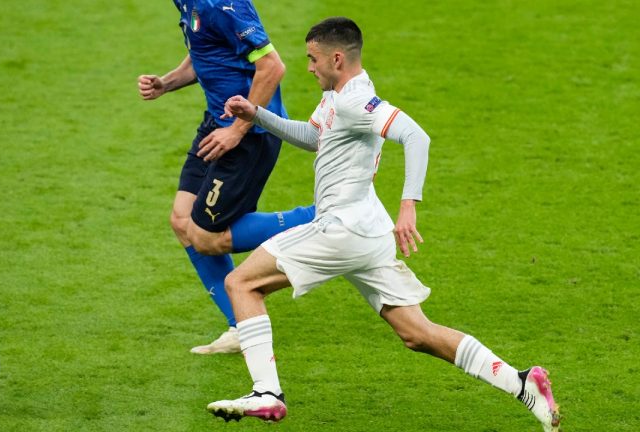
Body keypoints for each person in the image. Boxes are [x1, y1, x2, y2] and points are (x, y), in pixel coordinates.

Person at [204, 17, 561, 431]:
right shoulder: (337, 95)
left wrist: (409, 205)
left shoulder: (356, 101)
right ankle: (522, 383)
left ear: (337, 58)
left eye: (313, 59)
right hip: (368, 231)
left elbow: (416, 137)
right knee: (417, 333)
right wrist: (257, 114)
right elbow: (316, 137)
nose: (309, 67)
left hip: (343, 228)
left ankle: (267, 392)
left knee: (241, 284)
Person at [137, 1, 315, 354]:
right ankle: (240, 327)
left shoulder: (221, 4)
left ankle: (322, 217)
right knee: (182, 220)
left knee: (207, 237)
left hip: (249, 135)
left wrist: (236, 130)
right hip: (216, 123)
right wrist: (167, 83)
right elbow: (205, 49)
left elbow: (272, 66)